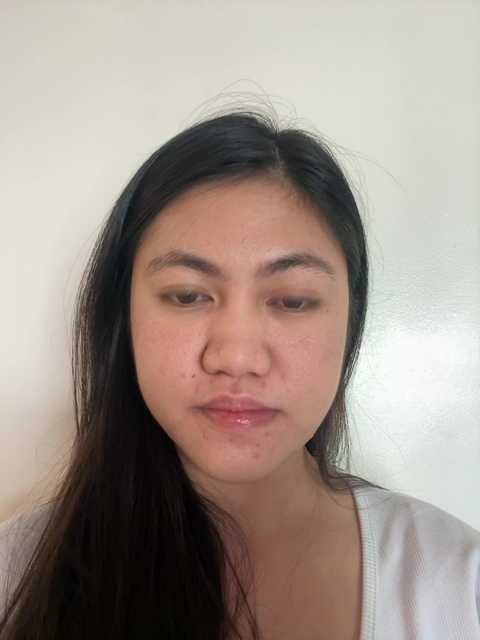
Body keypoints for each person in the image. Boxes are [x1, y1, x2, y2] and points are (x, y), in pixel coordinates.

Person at [0, 109, 478, 640]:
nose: (236, 357)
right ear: (123, 316)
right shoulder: (17, 570)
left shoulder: (458, 580)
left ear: (351, 320)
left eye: (293, 300)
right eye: (187, 295)